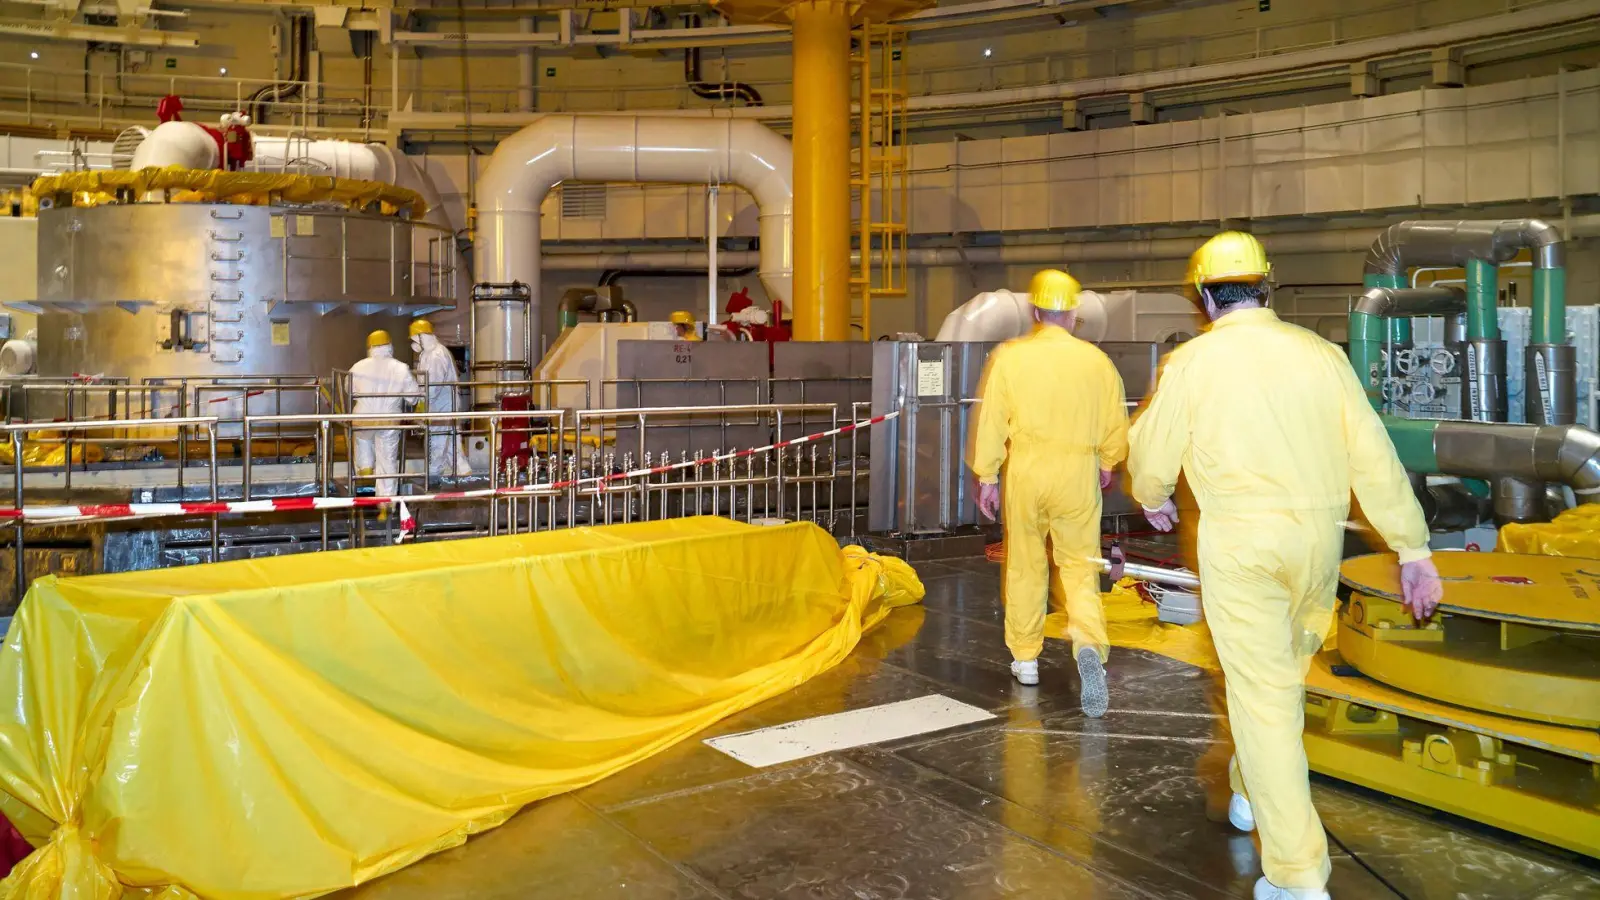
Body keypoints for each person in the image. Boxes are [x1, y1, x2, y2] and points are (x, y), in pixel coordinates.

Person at [1127, 231, 1444, 900]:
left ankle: (1297, 875)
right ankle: (1250, 792)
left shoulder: (1193, 364)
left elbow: (1152, 457)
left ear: (1205, 295)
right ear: (1267, 285)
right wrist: (1412, 548)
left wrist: (1152, 497)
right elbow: (1373, 455)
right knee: (1281, 684)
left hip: (1243, 548)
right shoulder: (1322, 355)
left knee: (1263, 698)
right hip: (1317, 547)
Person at [969, 268, 1130, 715]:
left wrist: (987, 477)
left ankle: (1026, 659)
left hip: (1027, 470)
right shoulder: (1097, 362)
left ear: (1036, 311)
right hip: (1077, 471)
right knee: (1080, 566)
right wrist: (1106, 462)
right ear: (1074, 314)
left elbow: (993, 421)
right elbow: (1115, 423)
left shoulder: (1011, 357)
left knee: (1025, 563)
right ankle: (1089, 645)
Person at [350, 329, 421, 498]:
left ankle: (365, 466)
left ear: (370, 347)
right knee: (387, 460)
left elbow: (349, 389)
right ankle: (386, 501)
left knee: (362, 439)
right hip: (389, 421)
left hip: (362, 419)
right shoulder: (400, 368)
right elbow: (413, 398)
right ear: (390, 346)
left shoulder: (357, 366)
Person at [409, 319, 473, 481]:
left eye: (415, 339)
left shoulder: (436, 355)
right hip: (441, 404)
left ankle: (433, 475)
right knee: (451, 440)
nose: (413, 343)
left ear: (422, 337)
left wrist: (421, 404)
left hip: (442, 406)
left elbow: (432, 386)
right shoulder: (428, 354)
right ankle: (462, 470)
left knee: (436, 440)